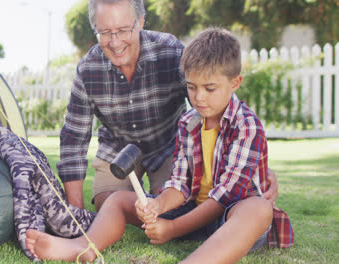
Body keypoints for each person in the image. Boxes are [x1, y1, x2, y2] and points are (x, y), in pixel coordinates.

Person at [25, 27, 294, 263]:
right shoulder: (189, 122)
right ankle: (84, 247)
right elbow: (179, 184)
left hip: (230, 219)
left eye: (210, 88)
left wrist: (173, 228)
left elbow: (221, 200)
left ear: (235, 83)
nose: (199, 97)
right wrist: (159, 206)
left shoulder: (246, 125)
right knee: (119, 200)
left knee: (258, 208)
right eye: (191, 87)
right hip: (192, 211)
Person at [57, 0, 279, 211]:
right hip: (117, 150)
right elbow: (73, 140)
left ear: (141, 21)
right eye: (105, 32)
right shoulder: (87, 69)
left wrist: (256, 168)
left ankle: (156, 206)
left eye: (124, 30)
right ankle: (134, 204)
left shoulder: (170, 50)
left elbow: (217, 103)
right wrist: (75, 211)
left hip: (168, 148)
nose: (115, 42)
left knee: (172, 204)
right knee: (109, 203)